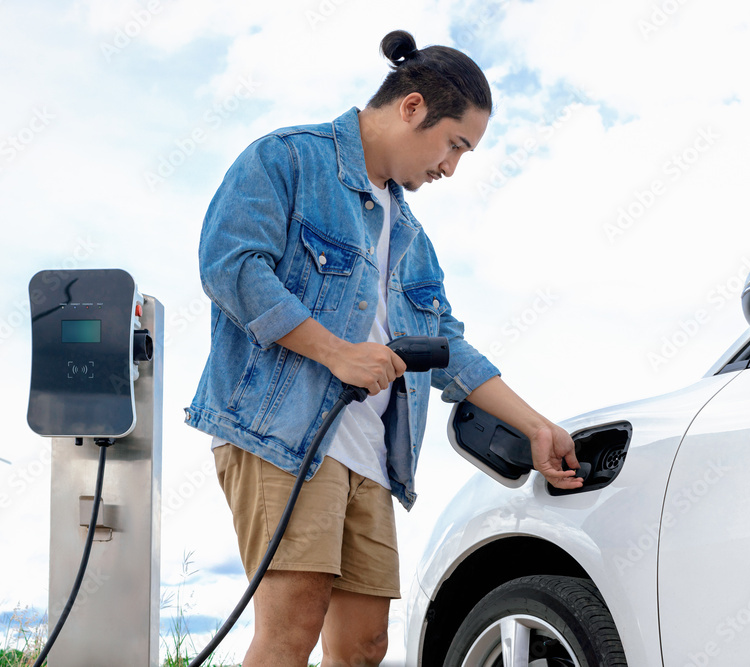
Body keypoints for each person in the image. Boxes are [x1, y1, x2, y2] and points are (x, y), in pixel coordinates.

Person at [184, 29, 582, 667]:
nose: (451, 167)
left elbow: (447, 346)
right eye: (454, 145)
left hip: (370, 456)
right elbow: (229, 266)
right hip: (286, 437)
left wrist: (536, 426)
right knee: (292, 628)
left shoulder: (414, 239)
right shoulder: (286, 160)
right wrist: (336, 351)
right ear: (413, 107)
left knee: (366, 644)